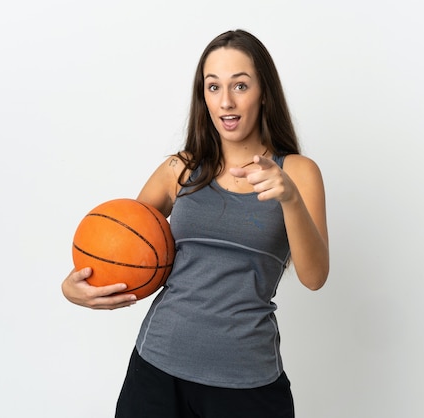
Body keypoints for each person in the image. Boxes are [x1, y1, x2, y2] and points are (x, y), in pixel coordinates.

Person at [62, 29, 329, 418]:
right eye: (213, 86)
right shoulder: (180, 168)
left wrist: (288, 197)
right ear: (202, 96)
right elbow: (119, 249)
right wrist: (75, 289)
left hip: (247, 380)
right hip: (156, 369)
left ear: (264, 92)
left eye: (240, 85)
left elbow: (315, 276)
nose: (226, 101)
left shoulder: (299, 173)